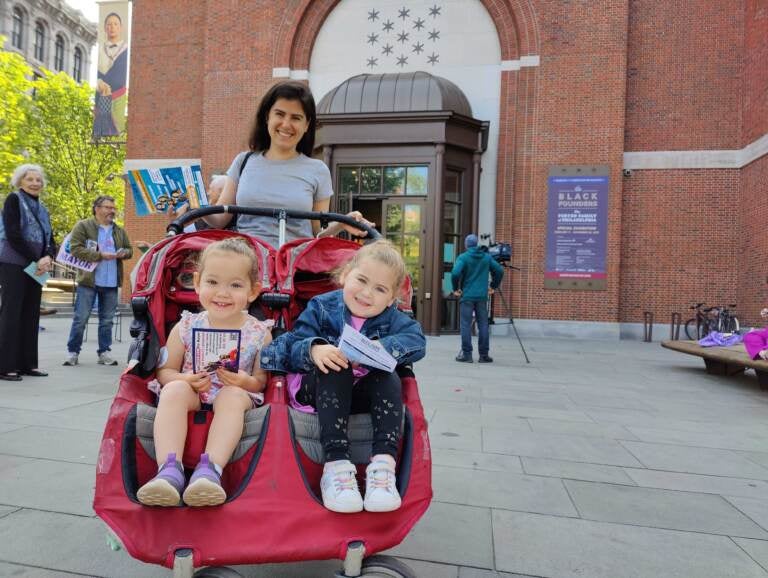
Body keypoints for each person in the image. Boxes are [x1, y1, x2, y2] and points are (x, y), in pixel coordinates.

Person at [261, 240, 426, 513]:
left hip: (362, 395)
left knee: (388, 376)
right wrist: (314, 349)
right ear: (346, 274)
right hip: (319, 390)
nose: (366, 293)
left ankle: (382, 466)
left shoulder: (393, 319)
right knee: (337, 366)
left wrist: (382, 348)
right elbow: (287, 345)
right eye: (361, 280)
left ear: (391, 298)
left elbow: (417, 341)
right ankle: (336, 466)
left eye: (380, 289)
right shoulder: (322, 306)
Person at [137, 238, 272, 507]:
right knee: (174, 390)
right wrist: (184, 379)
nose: (222, 293)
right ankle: (168, 470)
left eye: (235, 285)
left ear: (253, 291)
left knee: (232, 395)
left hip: (235, 392)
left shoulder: (259, 332)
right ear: (197, 283)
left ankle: (210, 471)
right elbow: (165, 372)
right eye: (213, 282)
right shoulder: (186, 326)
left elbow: (260, 382)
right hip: (193, 389)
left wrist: (245, 381)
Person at [203, 80, 373, 248]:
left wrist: (342, 223)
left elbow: (316, 232)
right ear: (267, 116)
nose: (286, 124)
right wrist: (196, 208)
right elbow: (219, 220)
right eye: (280, 114)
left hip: (294, 266)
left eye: (296, 118)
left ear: (307, 125)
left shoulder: (318, 170)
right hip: (247, 262)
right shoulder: (243, 162)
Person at [0, 164, 55, 381]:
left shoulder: (42, 207)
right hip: (14, 262)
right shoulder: (14, 200)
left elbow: (50, 237)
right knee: (12, 313)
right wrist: (36, 259)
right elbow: (13, 234)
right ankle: (6, 366)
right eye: (30, 179)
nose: (35, 183)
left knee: (31, 313)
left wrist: (49, 255)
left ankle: (28, 364)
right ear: (20, 181)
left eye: (38, 180)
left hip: (37, 266)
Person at [63, 195, 133, 366]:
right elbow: (75, 249)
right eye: (108, 207)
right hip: (89, 281)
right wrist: (99, 255)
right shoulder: (83, 226)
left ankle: (104, 352)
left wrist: (124, 253)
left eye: (113, 208)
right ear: (97, 208)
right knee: (81, 318)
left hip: (110, 282)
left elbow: (129, 249)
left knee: (107, 321)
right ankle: (73, 352)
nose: (112, 211)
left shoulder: (119, 230)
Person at [451, 234, 504, 363]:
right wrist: (493, 286)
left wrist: (455, 288)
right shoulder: (486, 257)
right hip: (481, 296)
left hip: (467, 296)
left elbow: (455, 273)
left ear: (466, 245)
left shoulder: (463, 257)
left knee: (465, 325)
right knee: (483, 325)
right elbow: (499, 270)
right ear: (476, 244)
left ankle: (467, 355)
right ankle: (484, 355)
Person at [93, 12, 128, 137]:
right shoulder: (101, 50)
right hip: (102, 96)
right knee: (103, 127)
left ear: (120, 28)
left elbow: (119, 78)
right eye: (109, 24)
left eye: (115, 24)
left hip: (118, 97)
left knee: (115, 129)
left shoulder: (125, 50)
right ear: (105, 28)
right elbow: (99, 75)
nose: (112, 27)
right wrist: (100, 83)